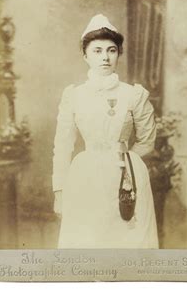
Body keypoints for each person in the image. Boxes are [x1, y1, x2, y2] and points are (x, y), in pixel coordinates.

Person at [52, 14, 158, 248]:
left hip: (127, 178)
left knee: (129, 245)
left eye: (111, 50)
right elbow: (62, 146)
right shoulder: (74, 95)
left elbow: (147, 141)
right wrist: (59, 192)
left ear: (119, 53)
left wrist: (127, 163)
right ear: (85, 55)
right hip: (85, 178)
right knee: (88, 244)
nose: (105, 57)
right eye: (97, 51)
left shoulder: (133, 94)